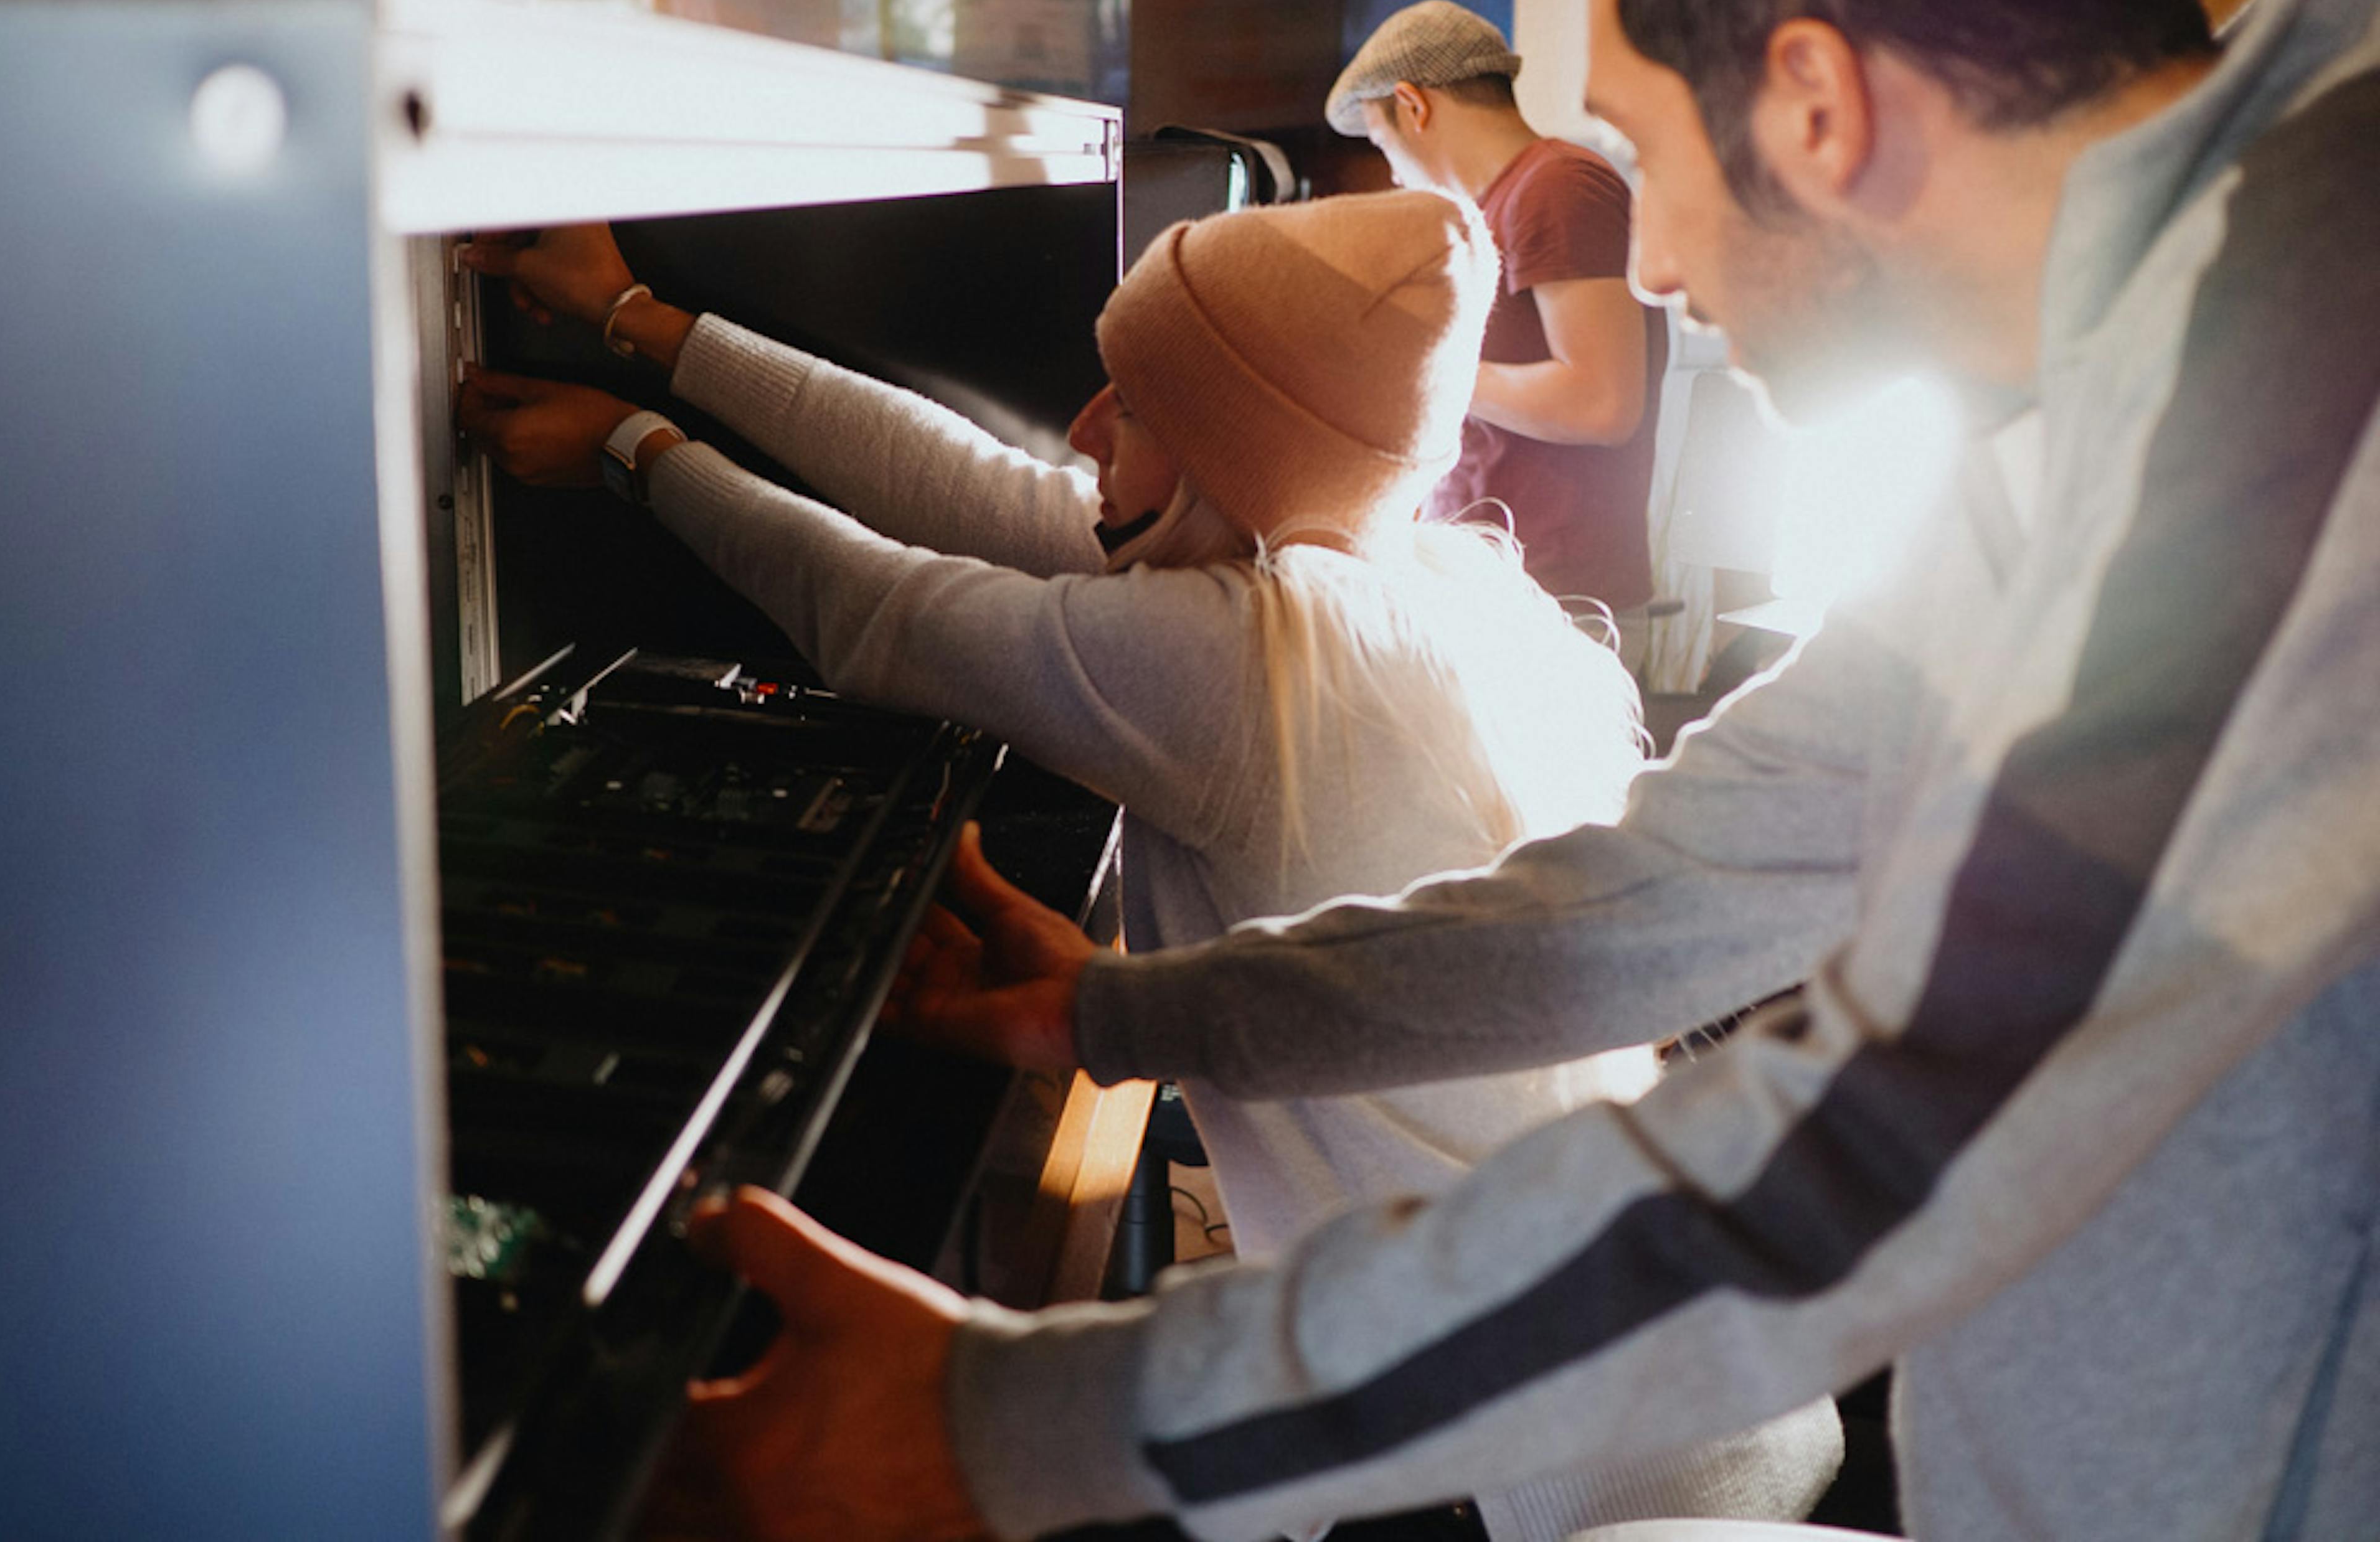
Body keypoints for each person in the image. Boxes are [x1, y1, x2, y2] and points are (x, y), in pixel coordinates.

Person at [656, 0, 2380, 1538]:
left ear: (1811, 101)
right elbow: (1644, 900)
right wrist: (1126, 1010)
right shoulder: (2113, 384)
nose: (1649, 268)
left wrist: (1024, 1418)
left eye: (1642, 152)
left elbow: (1870, 1156)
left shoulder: (2302, 385)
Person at [455, 192, 1841, 1537]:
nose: (1083, 431)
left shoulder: (1252, 663)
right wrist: (642, 322)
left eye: (1134, 405)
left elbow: (878, 611)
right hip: (1716, 1363)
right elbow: (971, 489)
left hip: (1589, 1472)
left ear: (1230, 447)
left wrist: (639, 452)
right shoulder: (1424, 587)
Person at [1328, 1, 1667, 657]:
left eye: (1381, 142)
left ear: (1413, 106)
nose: (1392, 170)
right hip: (1501, 588)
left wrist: (1423, 370)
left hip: (1555, 599)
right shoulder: (1505, 203)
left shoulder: (1559, 187)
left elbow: (1602, 404)